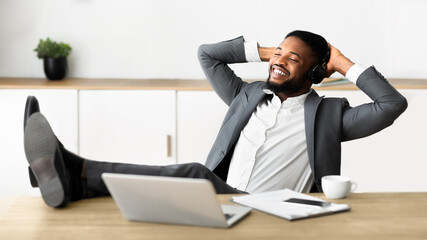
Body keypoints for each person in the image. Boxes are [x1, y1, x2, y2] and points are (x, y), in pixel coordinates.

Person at [23, 30, 407, 208]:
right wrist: (271, 51)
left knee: (192, 172)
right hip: (221, 203)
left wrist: (341, 63)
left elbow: (391, 105)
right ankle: (73, 178)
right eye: (279, 54)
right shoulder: (247, 94)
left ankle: (76, 170)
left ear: (315, 72)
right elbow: (207, 54)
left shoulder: (330, 116)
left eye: (293, 58)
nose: (279, 61)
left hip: (269, 210)